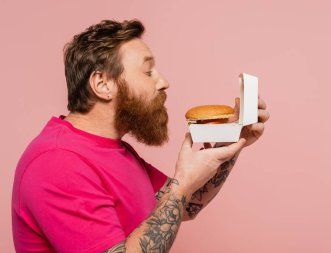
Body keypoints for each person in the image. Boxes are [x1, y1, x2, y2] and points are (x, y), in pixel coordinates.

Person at [12, 19, 270, 253]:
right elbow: (180, 193)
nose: (163, 82)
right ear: (103, 84)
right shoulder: (58, 163)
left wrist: (233, 140)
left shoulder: (115, 150)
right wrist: (182, 183)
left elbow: (187, 205)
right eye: (148, 72)